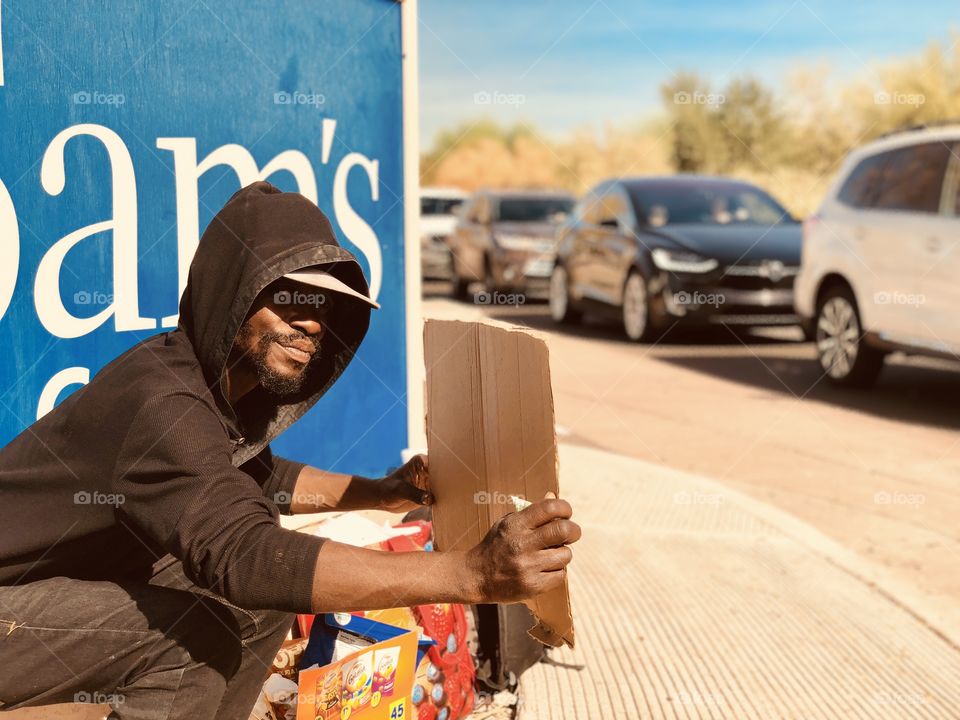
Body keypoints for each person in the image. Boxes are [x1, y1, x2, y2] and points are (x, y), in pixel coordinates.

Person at [0, 182, 580, 719]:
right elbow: (243, 554)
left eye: (325, 308)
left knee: (262, 605)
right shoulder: (161, 400)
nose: (311, 324)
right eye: (290, 298)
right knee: (196, 633)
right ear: (232, 292)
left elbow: (256, 482)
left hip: (47, 589)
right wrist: (471, 574)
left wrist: (382, 493)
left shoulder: (213, 388)